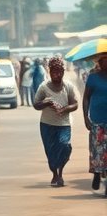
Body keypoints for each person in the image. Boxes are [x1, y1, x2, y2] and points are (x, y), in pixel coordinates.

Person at [33, 57, 79, 187]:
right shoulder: (44, 87)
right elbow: (36, 105)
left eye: (59, 72)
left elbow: (75, 104)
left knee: (65, 146)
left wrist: (65, 109)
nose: (57, 75)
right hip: (47, 125)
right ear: (50, 72)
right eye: (54, 72)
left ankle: (61, 171)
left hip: (64, 124)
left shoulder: (68, 86)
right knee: (51, 151)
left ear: (63, 72)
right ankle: (56, 175)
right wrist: (46, 102)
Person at [83, 53, 107, 195]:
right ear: (100, 63)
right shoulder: (93, 78)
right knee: (97, 150)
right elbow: (86, 98)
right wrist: (86, 117)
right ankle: (97, 174)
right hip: (97, 120)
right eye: (104, 61)